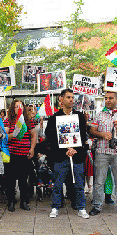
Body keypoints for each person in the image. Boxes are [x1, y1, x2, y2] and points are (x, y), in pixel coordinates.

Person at [45, 89, 89, 219]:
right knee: (58, 183)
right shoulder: (54, 117)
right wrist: (64, 149)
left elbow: (82, 135)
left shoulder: (80, 116)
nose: (71, 100)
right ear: (61, 99)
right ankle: (55, 207)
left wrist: (75, 149)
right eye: (68, 97)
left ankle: (81, 207)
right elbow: (50, 136)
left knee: (79, 183)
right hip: (60, 156)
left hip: (77, 155)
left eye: (72, 97)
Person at [89, 91, 117, 217]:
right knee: (99, 181)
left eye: (110, 98)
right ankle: (97, 206)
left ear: (116, 99)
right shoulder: (99, 115)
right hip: (102, 152)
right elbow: (92, 131)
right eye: (106, 98)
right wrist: (102, 134)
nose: (108, 100)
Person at [3, 100, 37, 212]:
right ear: (12, 108)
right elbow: (5, 136)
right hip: (12, 154)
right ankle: (11, 201)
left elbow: (33, 136)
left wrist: (32, 149)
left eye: (20, 106)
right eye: (16, 106)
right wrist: (14, 134)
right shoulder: (8, 121)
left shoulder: (27, 121)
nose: (18, 108)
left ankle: (24, 201)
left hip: (24, 155)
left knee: (23, 180)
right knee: (10, 180)